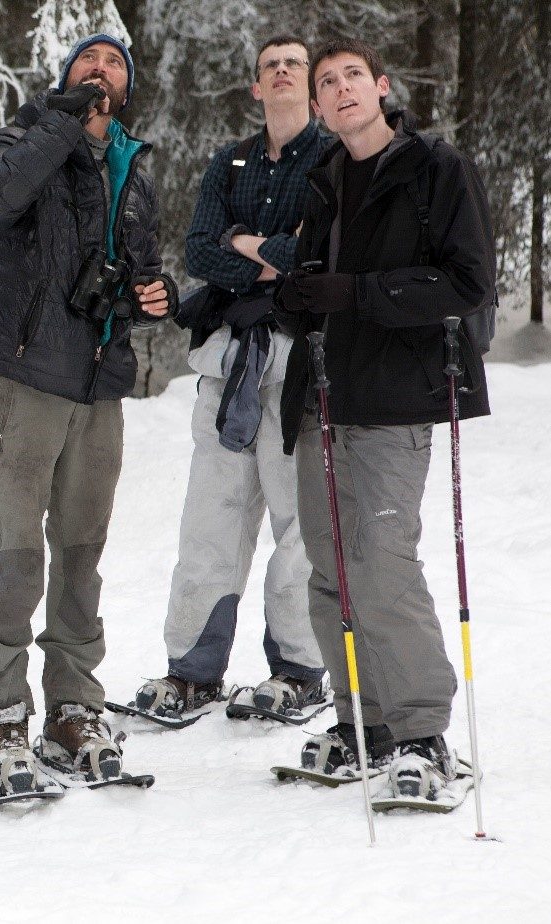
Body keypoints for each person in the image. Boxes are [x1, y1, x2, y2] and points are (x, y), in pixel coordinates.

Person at [274, 39, 495, 799]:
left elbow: (467, 281)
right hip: (323, 397)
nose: (338, 90)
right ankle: (360, 720)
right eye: (324, 83)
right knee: (329, 572)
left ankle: (422, 733)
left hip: (395, 399)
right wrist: (298, 293)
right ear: (315, 107)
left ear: (381, 87)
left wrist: (358, 294)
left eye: (350, 78)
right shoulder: (321, 180)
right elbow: (313, 285)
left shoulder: (435, 168)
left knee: (381, 566)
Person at [0, 34, 177, 797]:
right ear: (65, 77)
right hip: (25, 377)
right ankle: (0, 713)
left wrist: (155, 297)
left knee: (81, 551)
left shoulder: (133, 172)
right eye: (88, 61)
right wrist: (61, 123)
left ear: (127, 87)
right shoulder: (23, 136)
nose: (100, 71)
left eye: (114, 64)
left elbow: (139, 271)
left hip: (100, 384)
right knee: (17, 554)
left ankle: (73, 704)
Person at [134, 36, 328, 723]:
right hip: (226, 360)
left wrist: (242, 243)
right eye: (268, 65)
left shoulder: (331, 158)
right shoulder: (229, 161)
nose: (279, 72)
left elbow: (313, 257)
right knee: (209, 519)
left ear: (311, 86)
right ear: (254, 87)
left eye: (292, 64)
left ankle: (300, 666)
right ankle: (191, 669)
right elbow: (197, 253)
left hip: (298, 360)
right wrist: (260, 255)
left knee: (298, 521)